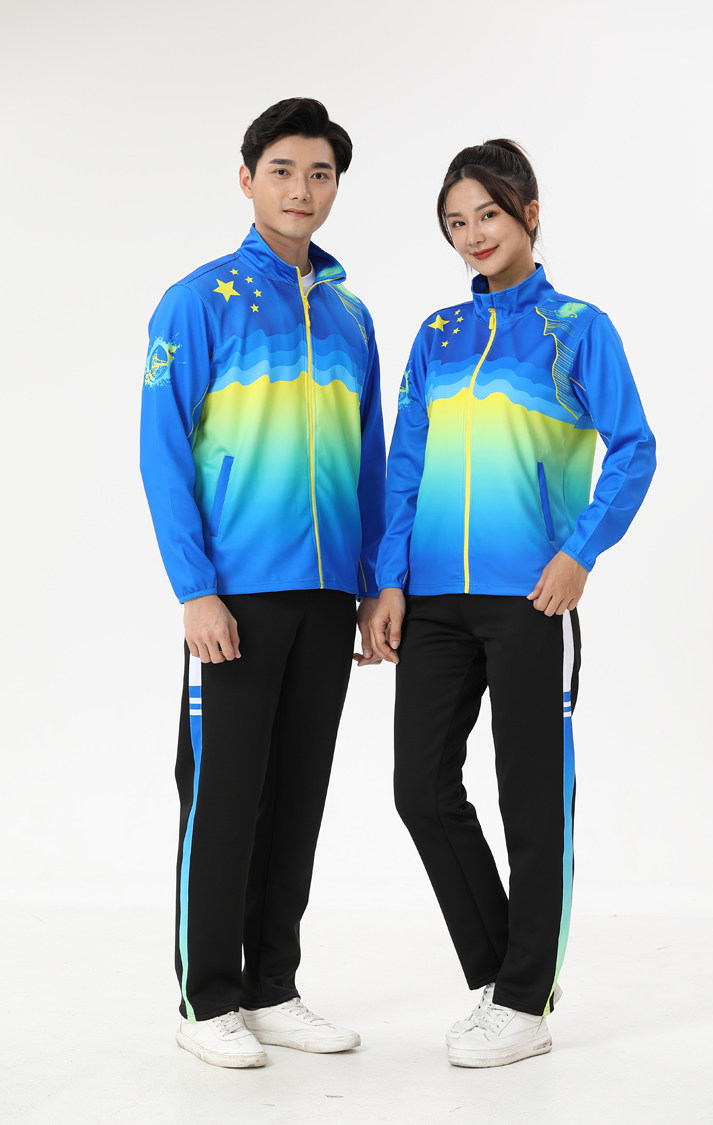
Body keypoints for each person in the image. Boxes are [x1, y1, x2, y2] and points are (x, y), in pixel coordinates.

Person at [371, 140, 656, 1069]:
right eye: (456, 222)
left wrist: (580, 552)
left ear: (529, 213)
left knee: (531, 798)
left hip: (531, 597)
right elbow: (405, 463)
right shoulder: (438, 335)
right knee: (421, 788)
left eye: (488, 214)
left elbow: (635, 447)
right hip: (434, 601)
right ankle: (508, 975)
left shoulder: (578, 328)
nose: (473, 234)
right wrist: (389, 577)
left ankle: (523, 1002)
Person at [140, 98, 385, 1069]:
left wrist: (375, 583)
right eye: (283, 170)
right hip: (235, 594)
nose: (302, 190)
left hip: (329, 598)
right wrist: (194, 587)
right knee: (223, 794)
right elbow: (164, 452)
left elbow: (371, 459)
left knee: (297, 794)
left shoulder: (352, 317)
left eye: (320, 173)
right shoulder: (197, 301)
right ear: (247, 179)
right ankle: (207, 998)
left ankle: (272, 987)